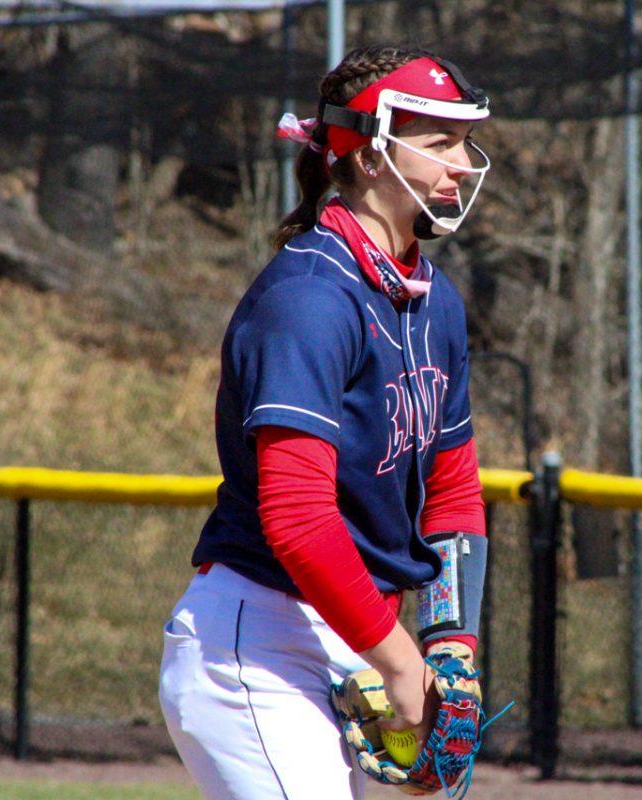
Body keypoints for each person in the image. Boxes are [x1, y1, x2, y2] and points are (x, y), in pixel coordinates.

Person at [159, 44, 493, 800]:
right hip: (259, 643)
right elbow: (298, 517)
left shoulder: (433, 299)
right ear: (370, 151)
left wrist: (448, 650)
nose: (464, 163)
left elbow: (452, 493)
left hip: (354, 633)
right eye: (439, 142)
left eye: (465, 142)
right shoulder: (311, 297)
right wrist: (404, 667)